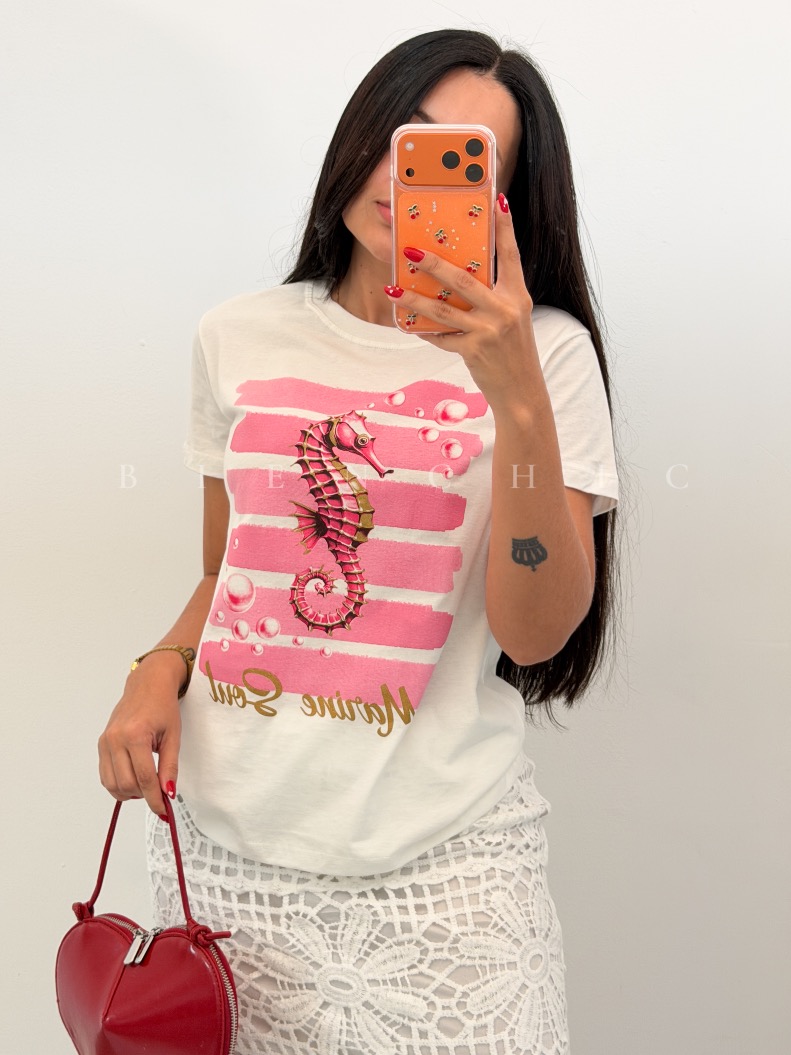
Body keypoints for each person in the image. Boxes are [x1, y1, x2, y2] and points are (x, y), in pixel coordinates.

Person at [98, 28, 620, 1055]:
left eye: (459, 162)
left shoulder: (547, 356)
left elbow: (533, 631)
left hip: (444, 871)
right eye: (401, 136)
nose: (403, 178)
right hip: (227, 861)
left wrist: (514, 392)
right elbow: (231, 571)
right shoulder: (237, 333)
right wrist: (156, 668)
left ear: (500, 203)